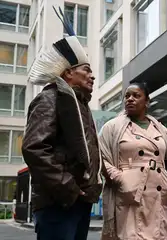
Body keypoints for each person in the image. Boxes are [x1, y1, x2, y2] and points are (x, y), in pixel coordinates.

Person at [21, 7, 103, 240]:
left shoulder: (81, 105)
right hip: (60, 204)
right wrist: (70, 189)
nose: (92, 76)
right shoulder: (50, 98)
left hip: (77, 201)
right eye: (86, 70)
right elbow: (34, 148)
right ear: (68, 74)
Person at [99, 82, 167, 240]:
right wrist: (122, 180)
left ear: (147, 101)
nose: (130, 99)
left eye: (136, 96)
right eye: (127, 96)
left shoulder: (160, 128)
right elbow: (102, 159)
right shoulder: (112, 127)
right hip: (129, 195)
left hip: (157, 194)